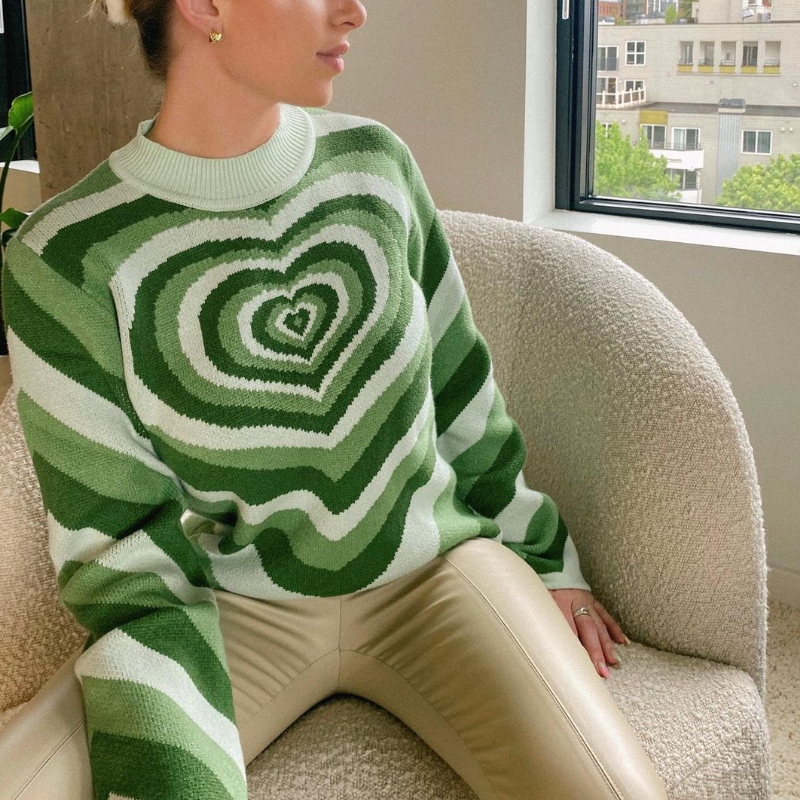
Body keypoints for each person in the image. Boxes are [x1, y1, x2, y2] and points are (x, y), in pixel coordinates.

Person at [0, 0, 670, 798]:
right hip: (228, 609)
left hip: (435, 575)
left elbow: (461, 389)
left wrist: (547, 559)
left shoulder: (376, 164)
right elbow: (116, 545)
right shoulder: (63, 258)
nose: (355, 12)